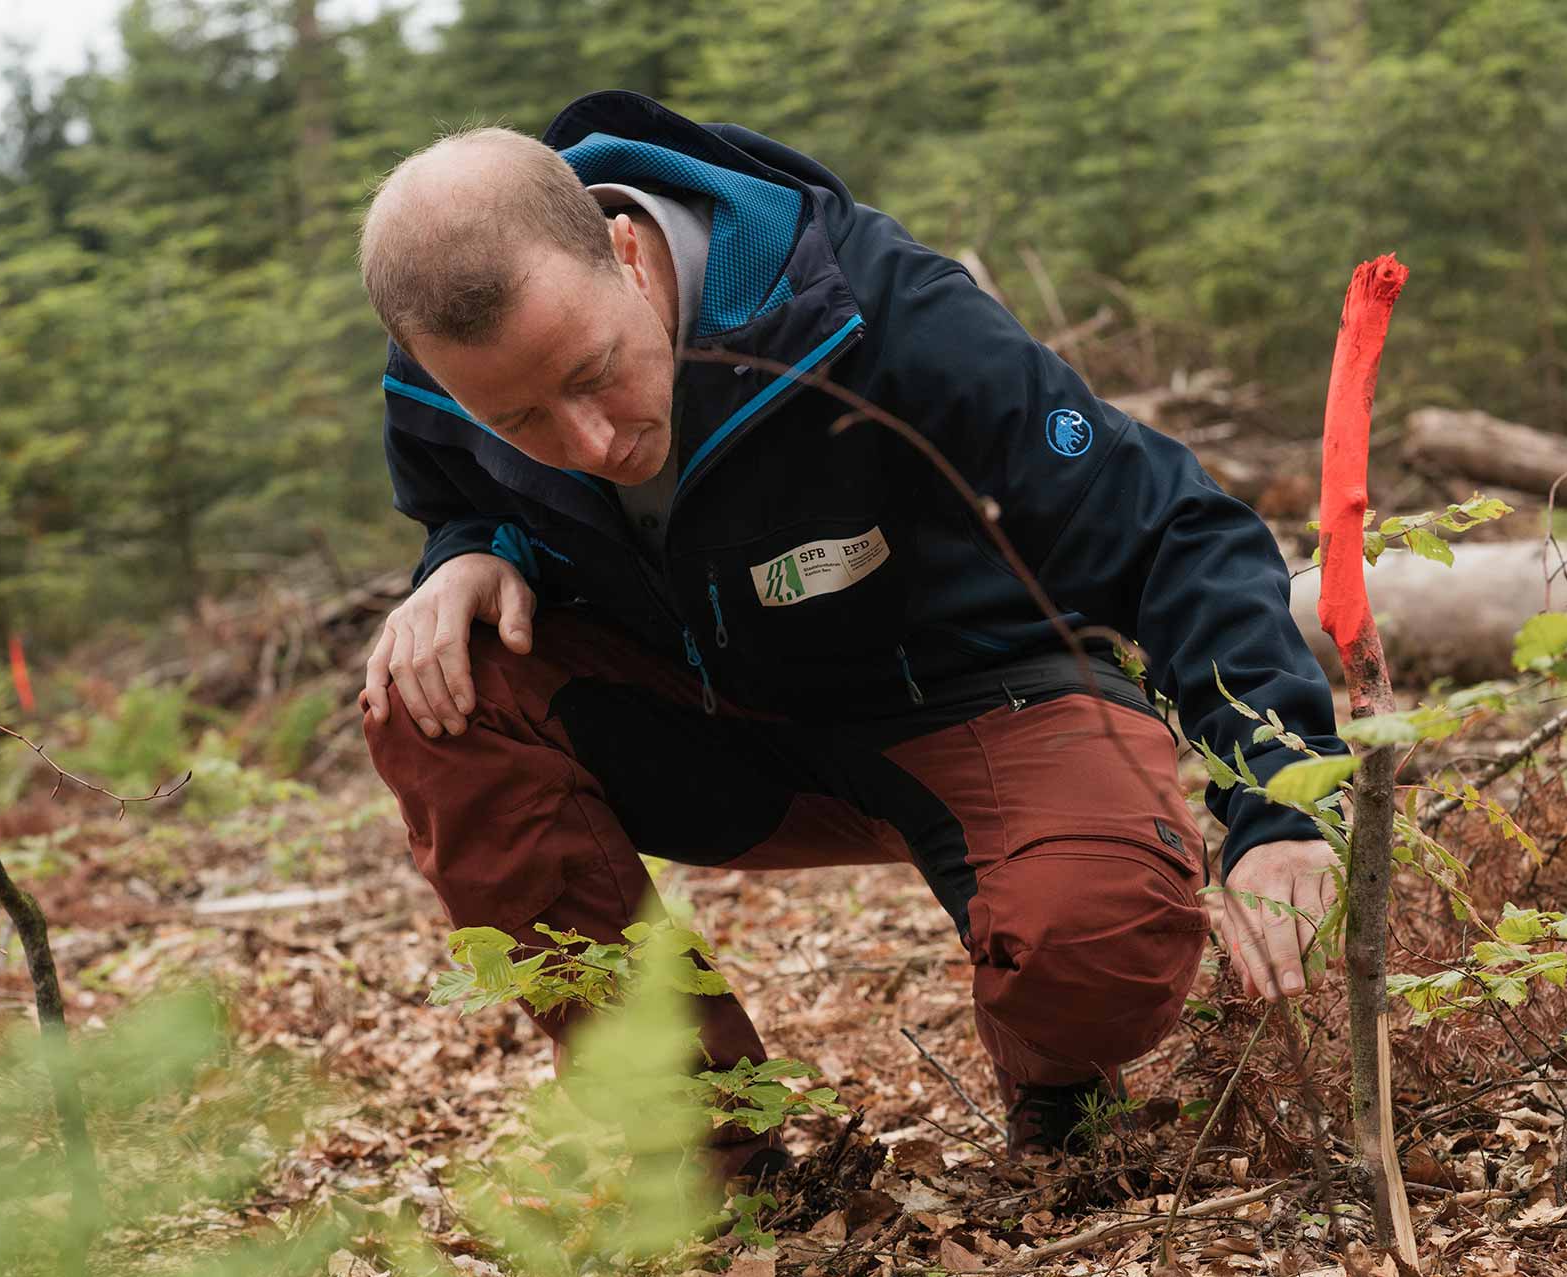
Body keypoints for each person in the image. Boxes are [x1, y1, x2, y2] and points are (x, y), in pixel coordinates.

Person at [355, 90, 1348, 1166]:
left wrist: (1276, 802)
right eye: (521, 421)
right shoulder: (449, 377)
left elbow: (1172, 529)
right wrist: (464, 550)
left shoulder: (872, 310)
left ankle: (1060, 1083)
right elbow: (458, 492)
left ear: (629, 254)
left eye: (594, 374)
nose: (588, 439)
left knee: (1093, 945)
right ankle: (710, 1151)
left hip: (972, 698)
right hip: (717, 732)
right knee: (429, 689)